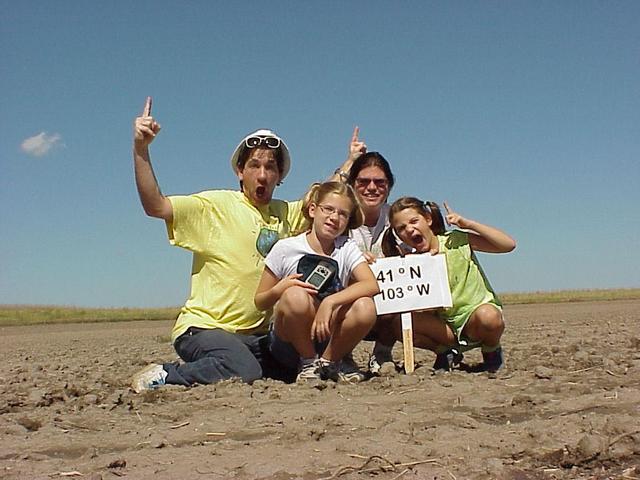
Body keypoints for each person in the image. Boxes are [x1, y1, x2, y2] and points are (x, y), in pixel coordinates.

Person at [129, 98, 352, 392]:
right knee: (243, 370)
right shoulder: (215, 206)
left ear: (280, 175)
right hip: (205, 328)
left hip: (258, 336)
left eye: (271, 167)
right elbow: (156, 206)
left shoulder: (287, 212)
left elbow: (327, 200)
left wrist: (350, 162)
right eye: (254, 165)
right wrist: (141, 149)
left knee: (290, 366)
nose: (262, 174)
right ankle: (166, 374)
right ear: (240, 171)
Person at [254, 181, 379, 382]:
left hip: (328, 338)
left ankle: (329, 363)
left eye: (342, 214)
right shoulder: (286, 248)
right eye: (328, 209)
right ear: (313, 210)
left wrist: (330, 302)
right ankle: (308, 362)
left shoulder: (346, 247)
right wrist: (281, 289)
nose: (334, 217)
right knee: (295, 295)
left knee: (365, 305)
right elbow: (260, 301)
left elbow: (371, 285)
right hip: (289, 342)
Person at [381, 197, 516, 373]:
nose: (409, 229)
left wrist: (468, 224)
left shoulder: (456, 241)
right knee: (400, 323)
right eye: (401, 228)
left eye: (414, 221)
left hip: (475, 318)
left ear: (428, 219)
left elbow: (507, 245)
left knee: (489, 317)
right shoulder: (410, 262)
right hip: (445, 328)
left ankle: (491, 350)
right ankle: (446, 352)